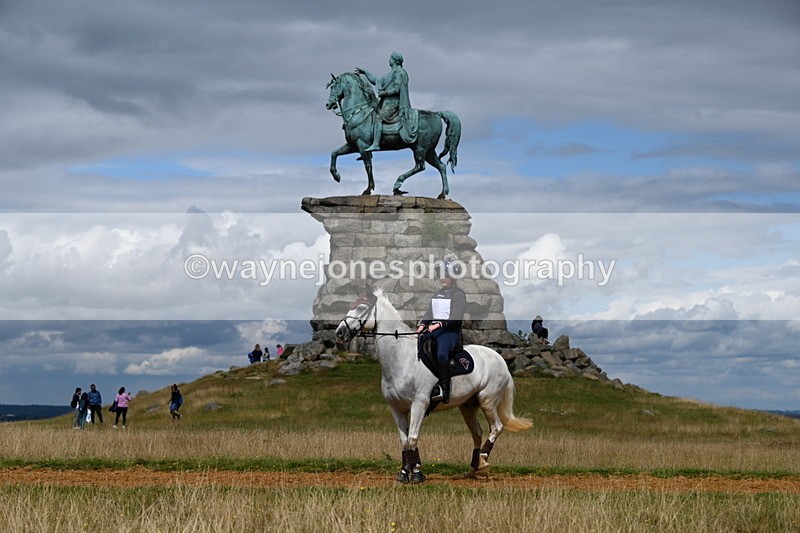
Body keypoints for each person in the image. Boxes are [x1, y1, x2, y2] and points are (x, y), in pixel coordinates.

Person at [415, 258, 466, 403]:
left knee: (442, 354)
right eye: (441, 274)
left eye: (446, 275)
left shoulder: (458, 295)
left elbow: (455, 318)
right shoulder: (437, 294)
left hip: (450, 333)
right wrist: (421, 325)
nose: (442, 278)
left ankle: (445, 389)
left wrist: (437, 325)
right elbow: (429, 314)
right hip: (434, 330)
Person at [355, 51, 418, 151]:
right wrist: (365, 72)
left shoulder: (399, 73)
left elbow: (397, 89)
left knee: (378, 117)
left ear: (395, 61)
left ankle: (376, 143)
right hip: (386, 103)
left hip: (394, 104)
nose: (389, 60)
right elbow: (376, 80)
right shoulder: (391, 74)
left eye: (390, 58)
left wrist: (384, 93)